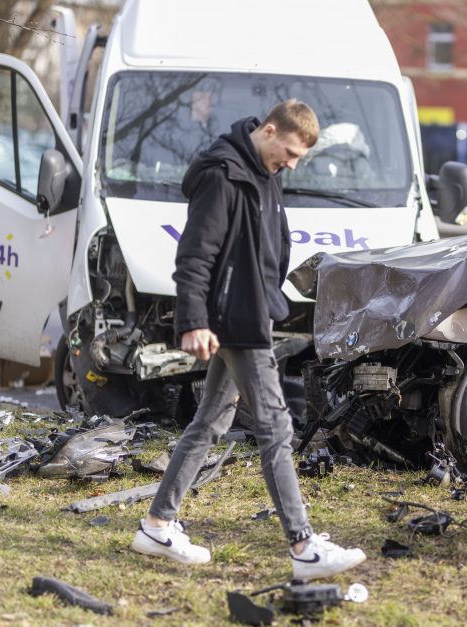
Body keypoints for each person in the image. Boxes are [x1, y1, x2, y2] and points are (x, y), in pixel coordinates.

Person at [131, 99, 367, 580]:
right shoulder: (223, 175)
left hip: (251, 313)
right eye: (290, 151)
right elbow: (194, 255)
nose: (293, 164)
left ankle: (157, 523)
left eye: (299, 158)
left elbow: (271, 245)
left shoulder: (266, 174)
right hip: (235, 321)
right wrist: (193, 320)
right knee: (277, 428)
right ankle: (303, 548)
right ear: (269, 129)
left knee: (209, 423)